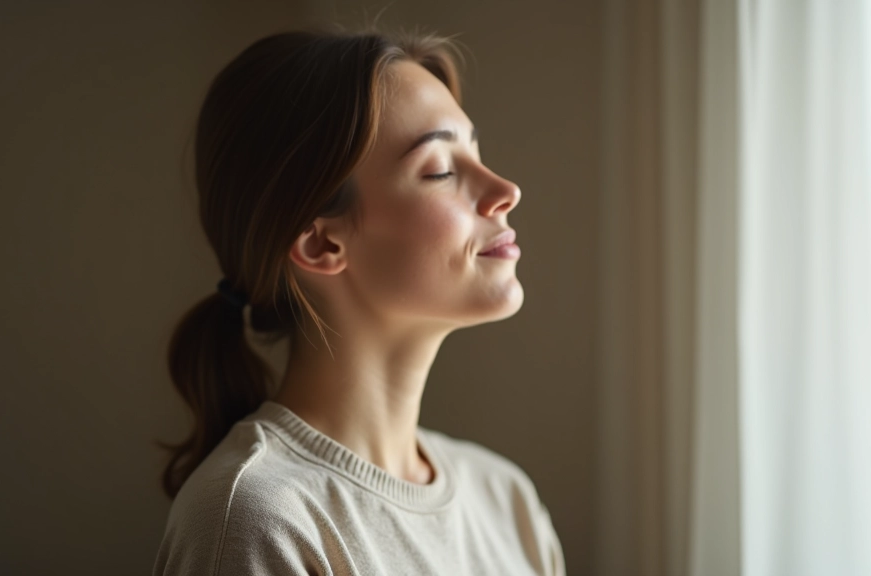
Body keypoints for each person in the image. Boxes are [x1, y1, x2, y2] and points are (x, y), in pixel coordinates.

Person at [152, 28, 566, 576]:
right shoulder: (256, 522)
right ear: (322, 243)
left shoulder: (506, 501)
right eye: (441, 168)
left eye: (477, 150)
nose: (504, 188)